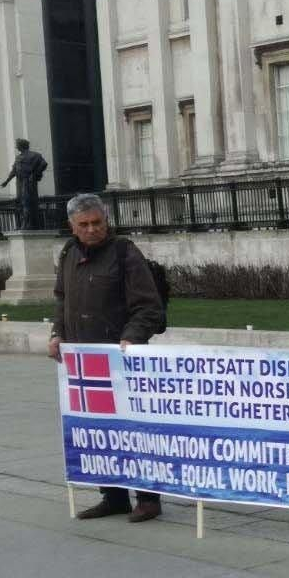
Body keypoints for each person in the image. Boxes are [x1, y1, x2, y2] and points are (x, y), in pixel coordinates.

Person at [49, 193, 167, 523]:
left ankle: (148, 498)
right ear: (72, 227)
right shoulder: (69, 253)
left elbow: (148, 306)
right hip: (85, 363)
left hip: (121, 360)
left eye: (97, 223)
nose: (92, 230)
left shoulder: (124, 252)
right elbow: (62, 300)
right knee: (97, 431)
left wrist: (131, 336)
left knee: (134, 431)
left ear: (106, 221)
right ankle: (113, 496)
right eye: (84, 224)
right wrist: (57, 333)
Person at [0, 138, 49, 230]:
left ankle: (27, 225)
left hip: (28, 183)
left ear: (22, 145)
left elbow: (44, 164)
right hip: (20, 182)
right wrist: (6, 181)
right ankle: (24, 224)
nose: (16, 146)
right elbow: (14, 171)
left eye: (17, 144)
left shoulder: (35, 155)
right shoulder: (18, 158)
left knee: (27, 203)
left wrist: (34, 175)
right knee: (21, 203)